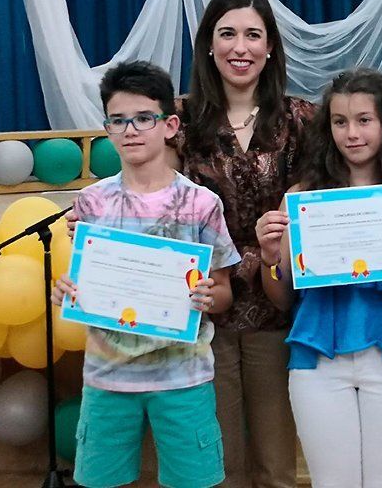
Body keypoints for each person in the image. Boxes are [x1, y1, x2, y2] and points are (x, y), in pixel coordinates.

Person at [68, 0, 315, 486]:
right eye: (227, 34)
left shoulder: (301, 120)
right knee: (213, 463)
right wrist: (94, 237)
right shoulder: (177, 121)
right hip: (193, 312)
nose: (239, 47)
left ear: (271, 47)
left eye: (253, 35)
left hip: (277, 302)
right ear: (208, 44)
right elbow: (149, 196)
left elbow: (319, 207)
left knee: (275, 460)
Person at [254, 68, 382, 487]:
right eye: (340, 122)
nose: (352, 133)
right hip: (319, 363)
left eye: (365, 120)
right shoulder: (302, 198)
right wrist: (272, 257)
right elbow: (282, 298)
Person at [51, 60, 241, 488]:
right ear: (107, 128)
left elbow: (225, 290)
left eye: (143, 118)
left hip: (183, 377)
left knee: (194, 481)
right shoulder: (91, 202)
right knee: (100, 481)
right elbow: (83, 284)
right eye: (118, 121)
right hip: (107, 377)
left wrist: (212, 297)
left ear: (169, 125)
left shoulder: (201, 203)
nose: (130, 130)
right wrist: (66, 291)